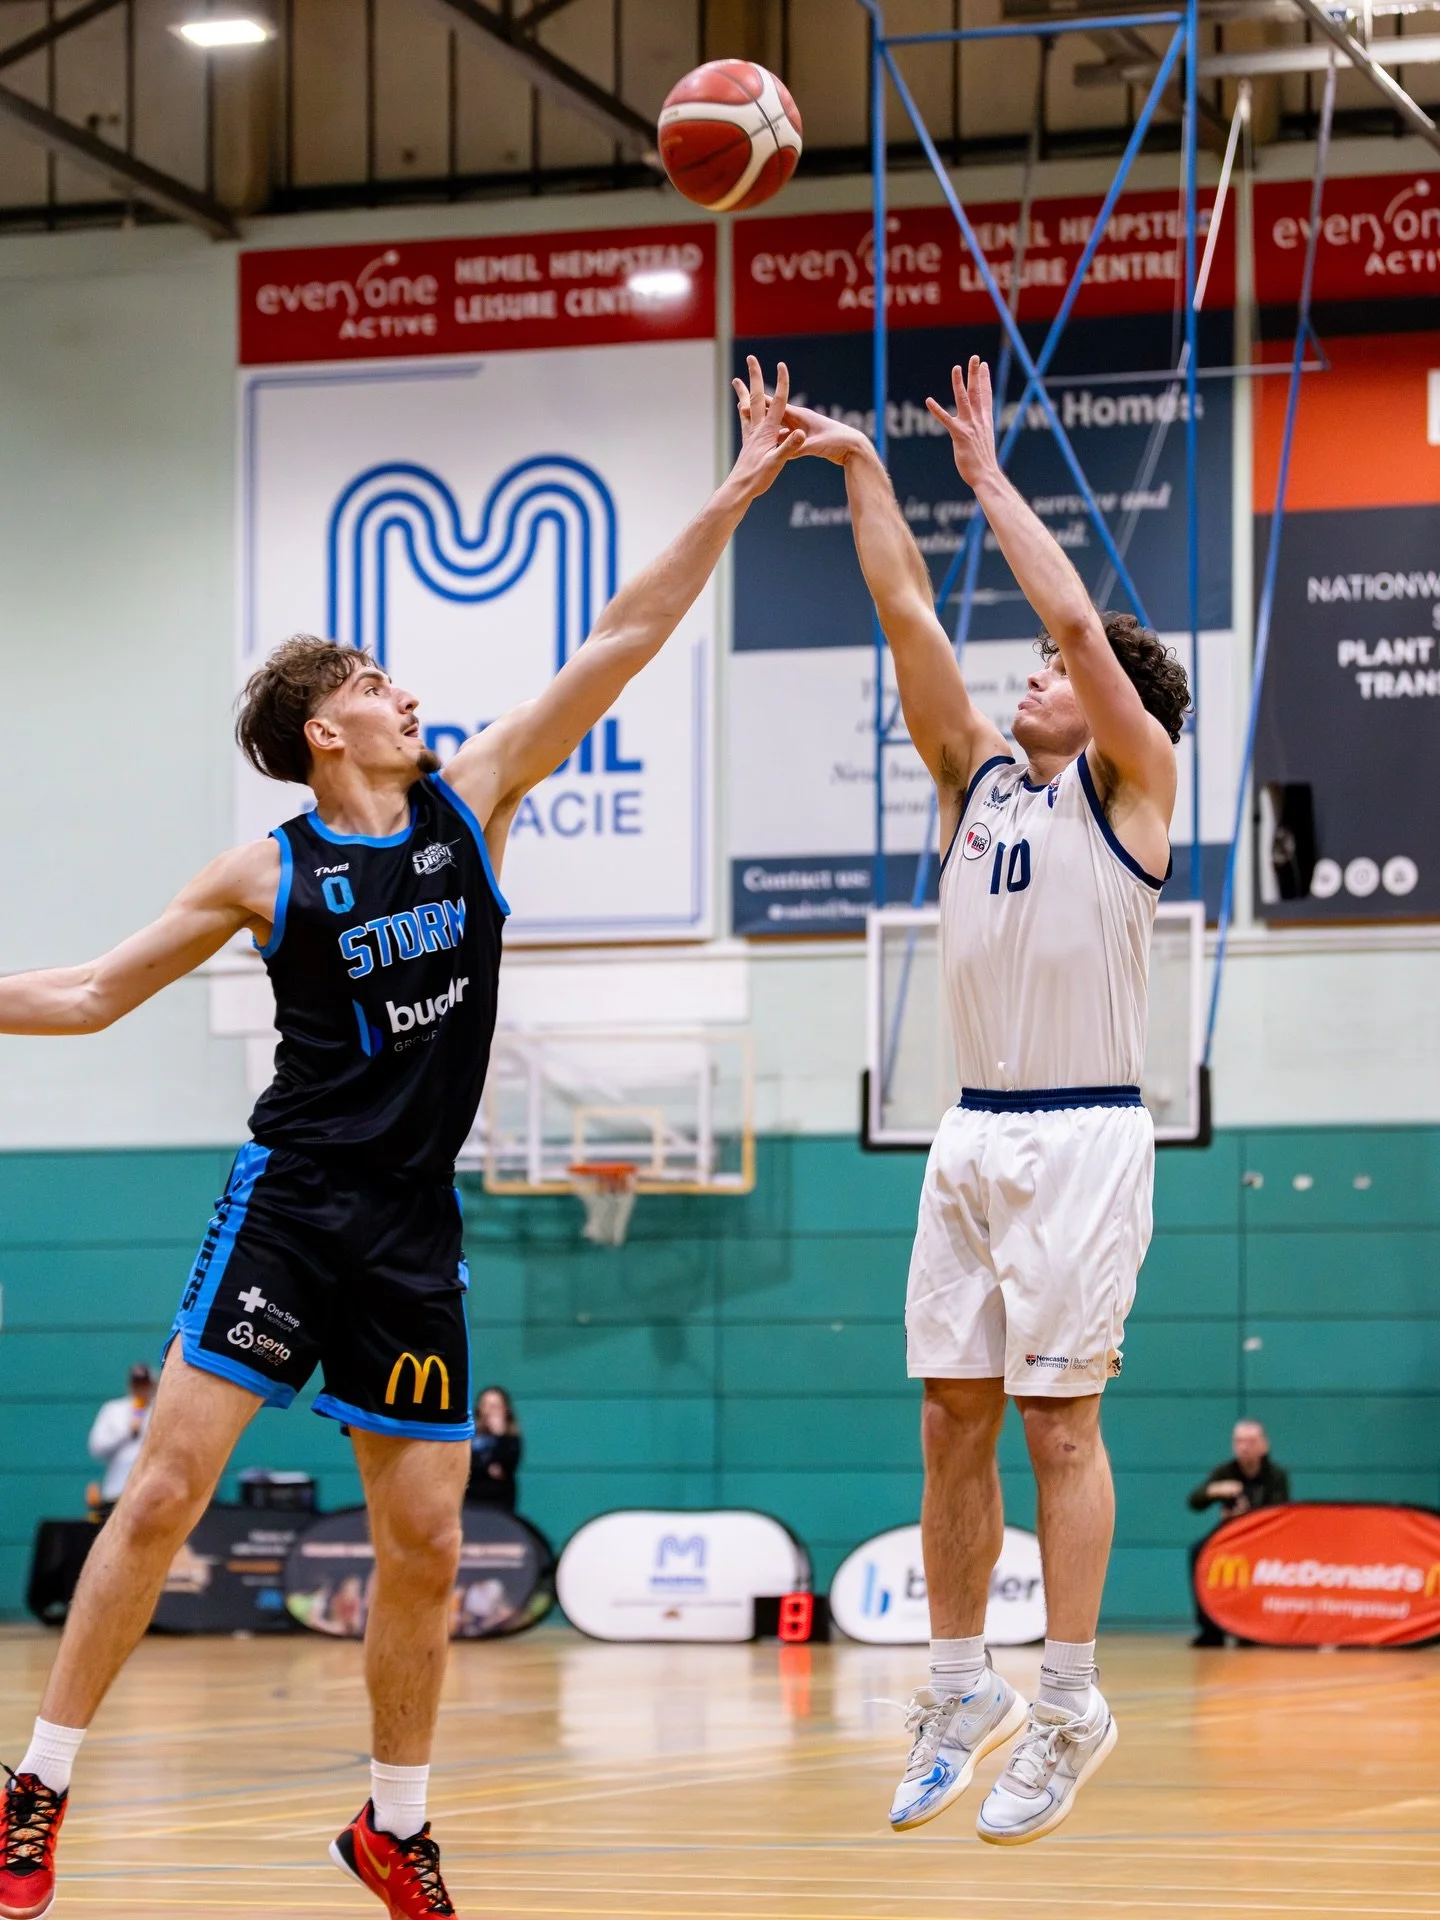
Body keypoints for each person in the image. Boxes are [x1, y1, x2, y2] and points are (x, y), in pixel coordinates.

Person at [0, 358, 807, 1920]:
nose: (405, 690)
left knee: (428, 1537)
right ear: (321, 732)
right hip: (293, 1204)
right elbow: (93, 994)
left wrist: (741, 480)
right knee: (164, 1492)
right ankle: (34, 1786)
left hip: (416, 1226)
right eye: (374, 679)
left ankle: (394, 1823)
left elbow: (623, 638)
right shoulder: (266, 872)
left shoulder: (470, 802)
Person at [766, 360, 1189, 1845]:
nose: (1038, 671)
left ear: (1118, 702)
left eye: (1064, 674)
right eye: (1039, 672)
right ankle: (962, 1686)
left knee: (1058, 1431)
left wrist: (993, 480)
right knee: (954, 1422)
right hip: (971, 1131)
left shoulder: (1136, 786)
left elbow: (1078, 618)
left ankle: (1069, 1697)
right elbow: (907, 618)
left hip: (1083, 1130)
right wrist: (863, 470)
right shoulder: (977, 786)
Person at [1187, 1418, 1290, 1647]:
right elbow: (1194, 1501)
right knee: (1198, 1551)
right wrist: (1214, 1490)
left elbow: (1280, 1512)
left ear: (1263, 1445)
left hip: (1261, 1539)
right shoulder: (1226, 1471)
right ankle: (1210, 1630)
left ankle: (1251, 1629)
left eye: (1250, 1441)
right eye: (1239, 1441)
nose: (1244, 1446)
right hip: (1228, 1538)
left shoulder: (1276, 1475)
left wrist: (1247, 1516)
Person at [85, 1365, 155, 1511]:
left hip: (149, 1493)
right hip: (116, 1491)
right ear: (130, 1385)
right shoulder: (113, 1410)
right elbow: (96, 1447)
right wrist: (127, 1432)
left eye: (144, 1384)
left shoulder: (159, 1410)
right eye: (137, 1384)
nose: (140, 1389)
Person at [465, 1387, 521, 1511]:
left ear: (505, 1410)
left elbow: (507, 1466)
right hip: (471, 1503)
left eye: (494, 1406)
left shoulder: (510, 1439)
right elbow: (467, 1466)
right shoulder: (469, 1436)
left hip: (499, 1505)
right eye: (485, 1405)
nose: (489, 1412)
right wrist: (487, 1467)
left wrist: (499, 1434)